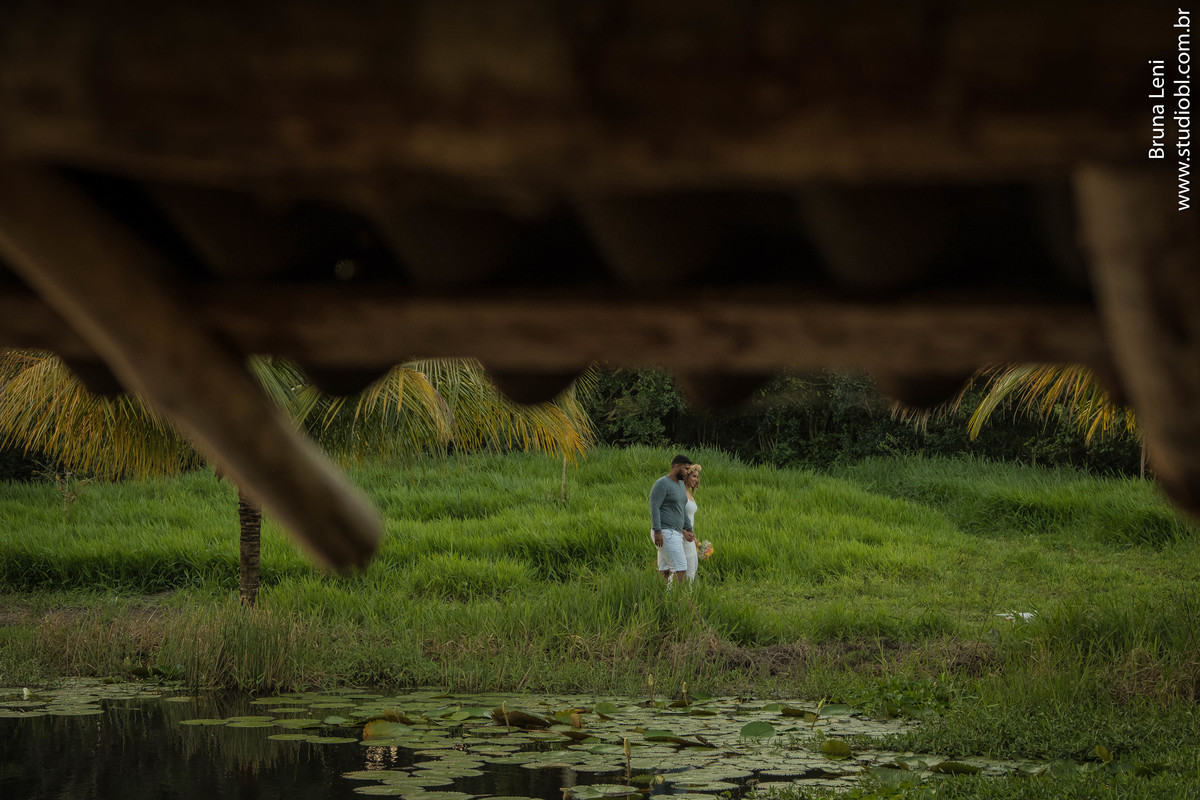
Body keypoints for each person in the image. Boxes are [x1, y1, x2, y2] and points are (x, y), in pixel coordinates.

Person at [649, 454, 693, 585]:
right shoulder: (662, 483)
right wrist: (657, 531)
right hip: (665, 532)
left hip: (677, 532)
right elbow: (654, 506)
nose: (688, 472)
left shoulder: (681, 485)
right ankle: (677, 596)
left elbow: (682, 508)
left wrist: (689, 528)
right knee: (680, 568)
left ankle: (664, 595)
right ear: (676, 466)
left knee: (665, 570)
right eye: (686, 469)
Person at [682, 464, 702, 581]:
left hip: (689, 535)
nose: (696, 479)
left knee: (692, 567)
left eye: (697, 477)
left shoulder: (689, 494)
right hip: (682, 534)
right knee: (684, 568)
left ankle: (688, 590)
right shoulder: (681, 494)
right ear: (686, 477)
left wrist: (694, 538)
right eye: (694, 476)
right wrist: (684, 532)